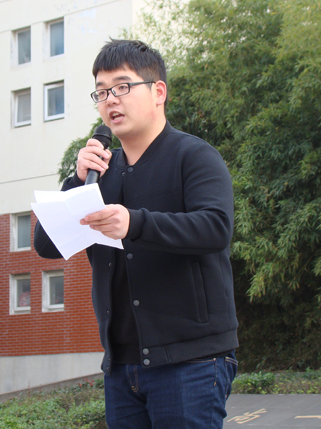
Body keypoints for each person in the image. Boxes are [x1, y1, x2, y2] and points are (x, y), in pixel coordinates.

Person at [34, 39, 238, 428]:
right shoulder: (99, 175)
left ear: (158, 91)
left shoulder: (194, 156)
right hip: (121, 366)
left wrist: (135, 223)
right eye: (101, 92)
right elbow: (46, 244)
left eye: (123, 86)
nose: (111, 100)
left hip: (190, 362)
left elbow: (215, 228)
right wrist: (76, 181)